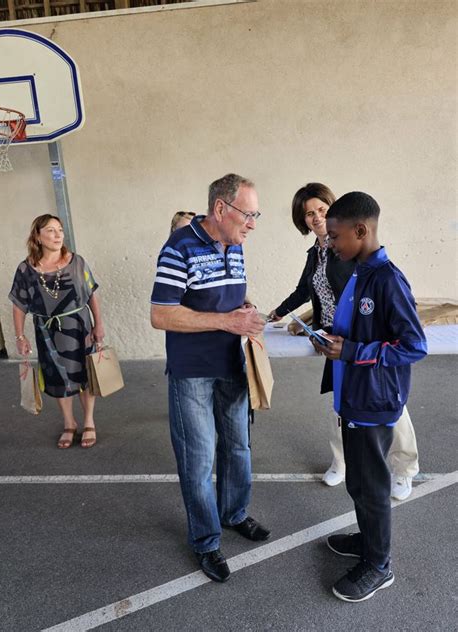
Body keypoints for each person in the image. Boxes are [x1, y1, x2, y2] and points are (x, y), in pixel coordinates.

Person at [150, 173, 270, 583]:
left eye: (256, 214)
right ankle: (205, 540)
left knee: (238, 448)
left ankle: (235, 513)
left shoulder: (234, 245)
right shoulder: (178, 247)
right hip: (192, 374)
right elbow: (160, 314)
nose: (253, 223)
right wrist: (226, 320)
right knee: (198, 460)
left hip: (231, 366)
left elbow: (227, 296)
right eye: (248, 214)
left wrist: (248, 311)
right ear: (221, 208)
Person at [268, 183, 419, 500]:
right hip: (332, 337)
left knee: (389, 404)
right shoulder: (317, 254)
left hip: (360, 339)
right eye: (309, 213)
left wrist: (359, 343)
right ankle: (342, 462)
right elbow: (303, 290)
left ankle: (404, 470)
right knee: (341, 402)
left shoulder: (351, 250)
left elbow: (374, 299)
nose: (316, 217)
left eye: (322, 210)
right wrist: (279, 313)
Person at [312, 192, 427, 602]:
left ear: (362, 231)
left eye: (335, 236)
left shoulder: (387, 279)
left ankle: (380, 566)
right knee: (360, 482)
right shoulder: (358, 272)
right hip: (354, 397)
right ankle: (369, 540)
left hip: (374, 403)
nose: (330, 244)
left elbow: (415, 345)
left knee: (372, 485)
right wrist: (334, 341)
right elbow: (359, 332)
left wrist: (353, 351)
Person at [9, 214, 104, 449]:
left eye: (60, 230)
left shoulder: (77, 262)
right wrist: (20, 336)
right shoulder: (26, 269)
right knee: (59, 377)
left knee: (86, 376)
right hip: (47, 332)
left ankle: (89, 421)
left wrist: (98, 324)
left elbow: (92, 293)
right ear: (38, 237)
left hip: (80, 327)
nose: (57, 235)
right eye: (50, 230)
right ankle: (69, 423)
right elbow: (19, 304)